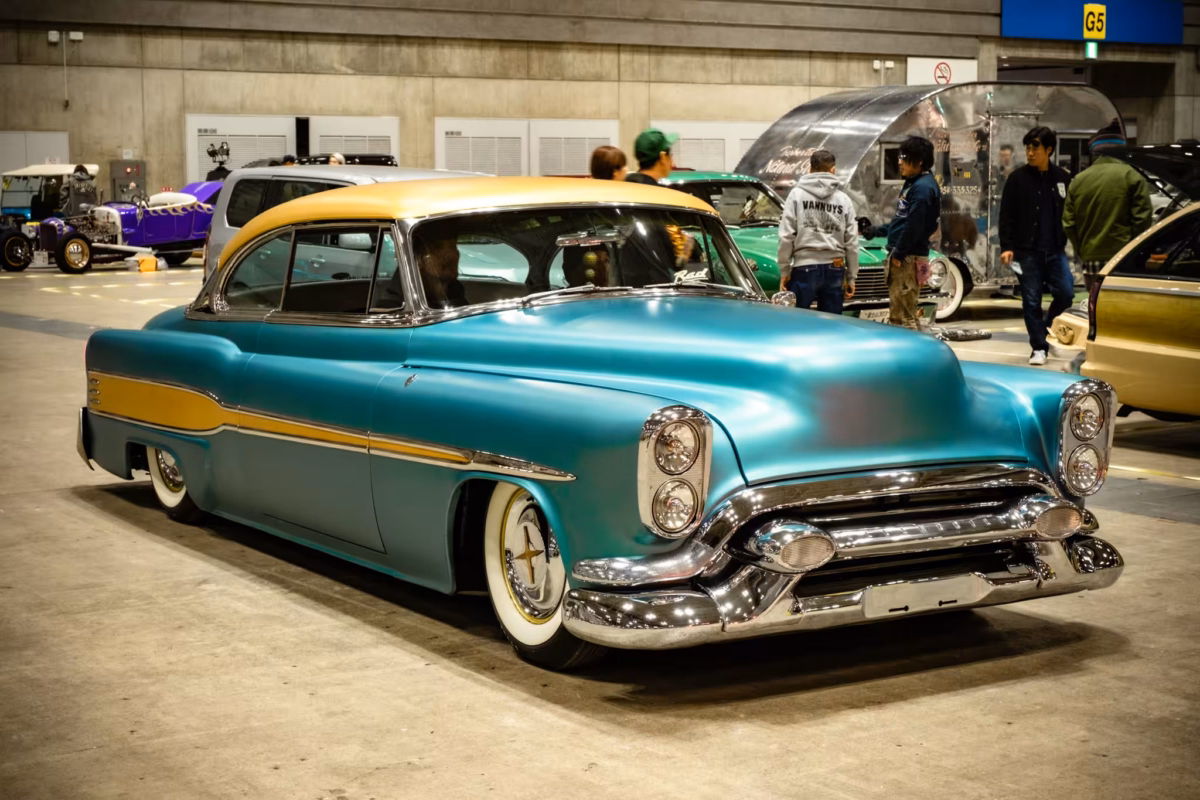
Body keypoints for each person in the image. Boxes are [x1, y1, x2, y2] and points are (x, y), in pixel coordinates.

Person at [998, 126, 1074, 366]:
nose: (1030, 153)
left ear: (1049, 150)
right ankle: (1038, 347)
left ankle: (1046, 328)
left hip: (1055, 250)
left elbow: (1070, 211)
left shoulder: (1062, 178)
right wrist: (1007, 246)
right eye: (1028, 148)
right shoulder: (1017, 179)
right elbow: (1006, 215)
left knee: (1066, 293)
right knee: (1031, 300)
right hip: (1025, 252)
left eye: (1036, 148)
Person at [860, 136, 941, 330]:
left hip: (908, 259)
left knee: (904, 318)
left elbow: (915, 226)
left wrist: (898, 253)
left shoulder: (922, 188)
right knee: (900, 313)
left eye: (904, 157)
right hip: (906, 256)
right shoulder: (914, 183)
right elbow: (902, 221)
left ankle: (911, 358)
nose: (899, 162)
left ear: (919, 161)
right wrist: (875, 231)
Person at [1062, 120, 1153, 292]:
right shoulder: (1132, 176)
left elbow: (1069, 224)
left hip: (1091, 260)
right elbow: (1142, 219)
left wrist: (1082, 250)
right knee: (1123, 312)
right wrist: (1132, 249)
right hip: (1123, 258)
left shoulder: (1078, 181)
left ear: (1095, 152)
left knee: (1095, 310)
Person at [776, 149, 859, 314]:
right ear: (832, 170)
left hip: (804, 268)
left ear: (810, 168)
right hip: (836, 268)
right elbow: (852, 241)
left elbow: (786, 235)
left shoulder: (796, 195)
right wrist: (851, 277)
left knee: (797, 322)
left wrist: (785, 270)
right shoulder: (844, 199)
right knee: (832, 326)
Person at [416, 233, 467, 309]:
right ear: (419, 260)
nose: (451, 254)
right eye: (437, 248)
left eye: (453, 247)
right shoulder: (400, 300)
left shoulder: (456, 289)